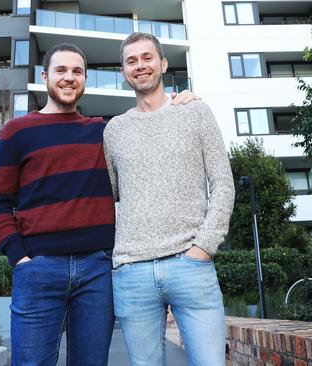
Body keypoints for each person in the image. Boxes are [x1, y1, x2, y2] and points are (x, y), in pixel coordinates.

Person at [0, 42, 199, 366]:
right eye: (61, 70)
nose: (69, 78)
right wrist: (21, 259)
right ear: (45, 77)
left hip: (97, 272)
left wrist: (178, 105)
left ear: (85, 78)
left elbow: (151, 144)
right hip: (38, 269)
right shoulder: (15, 132)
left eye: (77, 71)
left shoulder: (104, 132)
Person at [103, 32, 236, 366]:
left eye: (147, 57)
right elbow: (110, 197)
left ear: (162, 63)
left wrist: (204, 247)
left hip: (190, 265)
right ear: (123, 72)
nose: (140, 66)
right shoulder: (114, 131)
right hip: (132, 273)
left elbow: (223, 183)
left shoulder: (195, 112)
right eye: (131, 61)